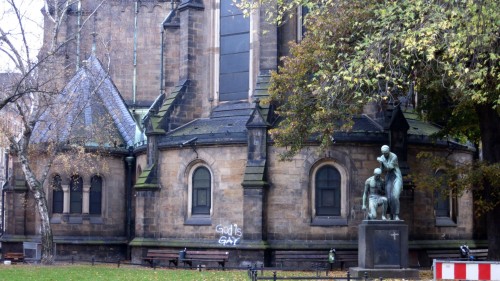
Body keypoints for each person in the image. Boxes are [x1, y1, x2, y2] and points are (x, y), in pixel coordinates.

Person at [377, 145, 403, 220]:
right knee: (388, 197)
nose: (385, 154)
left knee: (395, 196)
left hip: (396, 176)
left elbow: (389, 167)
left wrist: (382, 161)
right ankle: (390, 216)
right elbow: (382, 170)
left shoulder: (394, 156)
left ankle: (396, 215)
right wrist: (380, 165)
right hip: (388, 177)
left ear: (388, 151)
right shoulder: (382, 157)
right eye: (383, 153)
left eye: (386, 153)